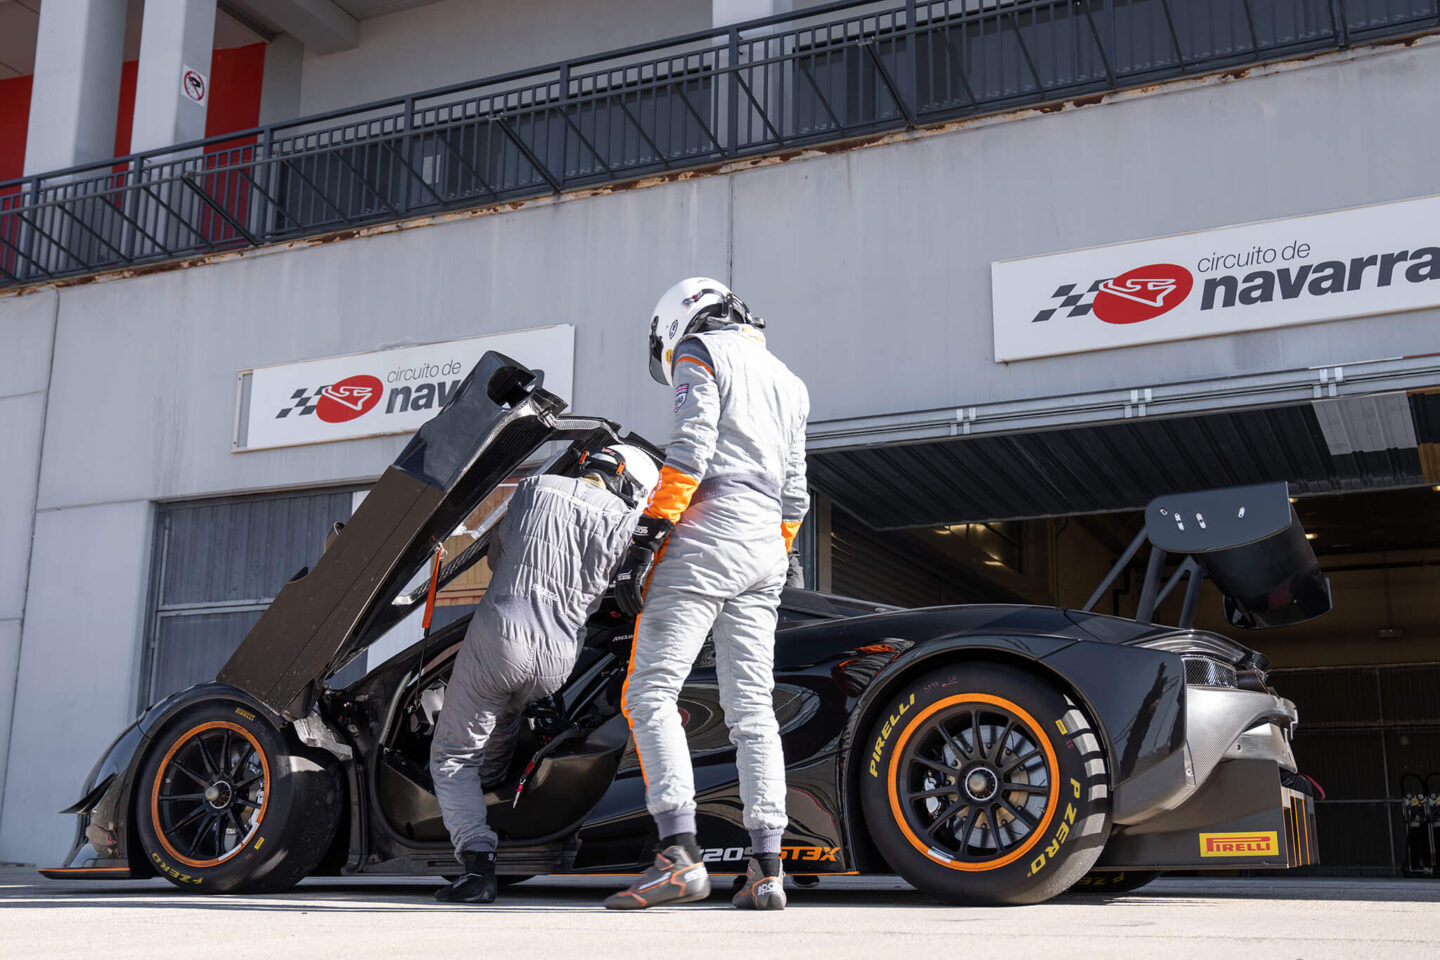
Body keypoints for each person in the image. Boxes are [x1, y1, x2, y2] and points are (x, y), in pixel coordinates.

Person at [605, 278, 809, 911]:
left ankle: (679, 857)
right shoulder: (790, 382)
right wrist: (776, 548)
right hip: (766, 547)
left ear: (678, 323)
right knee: (753, 711)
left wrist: (649, 534)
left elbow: (691, 449)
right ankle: (767, 870)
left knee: (649, 692)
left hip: (707, 531)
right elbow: (797, 490)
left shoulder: (702, 350)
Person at [430, 444, 658, 904]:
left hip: (499, 640)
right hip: (558, 657)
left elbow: (496, 557)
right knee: (505, 717)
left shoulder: (535, 488)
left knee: (452, 756)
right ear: (630, 486)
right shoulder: (626, 523)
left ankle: (477, 863)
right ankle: (496, 785)